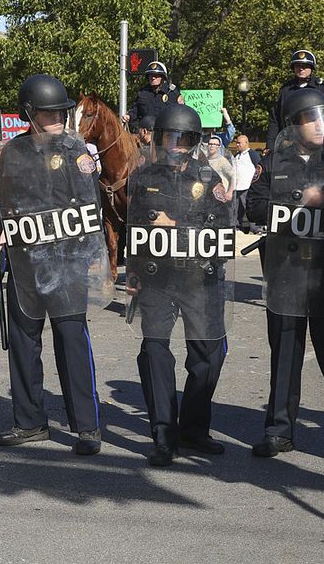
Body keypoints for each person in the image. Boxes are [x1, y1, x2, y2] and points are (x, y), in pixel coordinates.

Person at [0, 74, 106, 456]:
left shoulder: (75, 152)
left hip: (67, 265)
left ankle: (86, 428)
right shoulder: (12, 154)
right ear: (29, 115)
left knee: (71, 342)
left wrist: (90, 255)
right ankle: (29, 422)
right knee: (22, 344)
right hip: (24, 265)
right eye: (48, 114)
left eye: (60, 113)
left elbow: (92, 206)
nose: (56, 120)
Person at [246, 88, 324, 463]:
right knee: (285, 356)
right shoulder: (276, 160)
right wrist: (300, 199)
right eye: (311, 118)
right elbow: (255, 205)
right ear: (295, 125)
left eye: (323, 116)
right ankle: (279, 431)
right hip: (287, 273)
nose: (319, 124)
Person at [126, 104, 231, 466]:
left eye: (184, 139)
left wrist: (179, 229)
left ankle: (194, 430)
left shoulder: (210, 179)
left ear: (195, 142)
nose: (177, 146)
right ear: (158, 140)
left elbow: (222, 233)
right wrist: (134, 274)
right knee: (155, 352)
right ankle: (164, 434)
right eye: (170, 137)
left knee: (208, 354)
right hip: (158, 278)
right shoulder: (142, 178)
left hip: (200, 279)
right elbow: (133, 229)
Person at [265, 50, 324, 150]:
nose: (301, 69)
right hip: (292, 144)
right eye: (298, 66)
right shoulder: (285, 90)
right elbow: (275, 119)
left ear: (312, 68)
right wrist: (270, 147)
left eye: (305, 66)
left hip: (319, 143)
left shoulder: (321, 88)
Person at [124, 61, 183, 130]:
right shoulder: (143, 93)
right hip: (146, 133)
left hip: (166, 133)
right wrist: (129, 116)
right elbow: (135, 111)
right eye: (151, 75)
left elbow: (180, 115)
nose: (153, 78)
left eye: (156, 75)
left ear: (163, 77)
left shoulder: (172, 93)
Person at [232, 135, 262, 234]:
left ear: (246, 142)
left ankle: (255, 228)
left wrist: (255, 184)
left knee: (249, 207)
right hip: (237, 187)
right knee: (237, 209)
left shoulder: (252, 154)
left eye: (239, 143)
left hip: (248, 186)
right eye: (236, 143)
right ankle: (237, 226)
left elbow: (259, 169)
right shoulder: (237, 156)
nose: (237, 145)